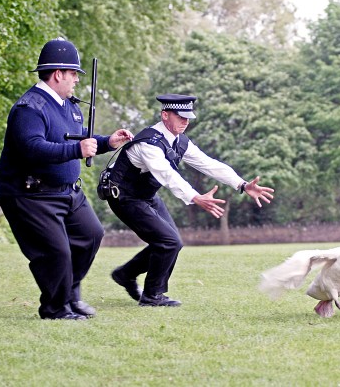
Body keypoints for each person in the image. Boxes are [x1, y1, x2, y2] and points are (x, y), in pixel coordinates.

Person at [0, 37, 132, 320]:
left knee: (90, 235)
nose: (77, 81)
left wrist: (108, 142)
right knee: (56, 252)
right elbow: (32, 148)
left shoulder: (69, 106)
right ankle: (55, 308)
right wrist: (76, 150)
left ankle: (69, 295)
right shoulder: (28, 108)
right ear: (58, 74)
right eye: (73, 74)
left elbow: (80, 142)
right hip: (29, 193)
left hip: (66, 191)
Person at [108, 94, 274, 307]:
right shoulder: (149, 143)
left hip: (146, 196)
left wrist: (241, 184)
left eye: (188, 117)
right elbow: (167, 175)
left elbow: (208, 164)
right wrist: (195, 197)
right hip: (124, 197)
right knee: (169, 242)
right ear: (165, 115)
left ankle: (125, 274)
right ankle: (152, 297)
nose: (185, 122)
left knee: (171, 243)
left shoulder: (178, 141)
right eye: (180, 117)